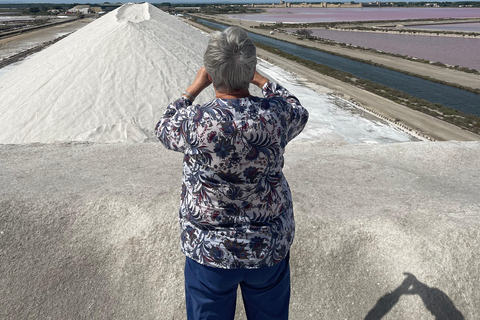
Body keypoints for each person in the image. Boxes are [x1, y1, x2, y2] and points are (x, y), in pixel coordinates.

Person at [154, 26, 308, 320]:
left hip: (209, 249)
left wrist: (192, 90)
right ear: (249, 69)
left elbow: (163, 128)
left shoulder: (196, 121)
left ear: (210, 74)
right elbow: (297, 109)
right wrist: (261, 79)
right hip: (267, 247)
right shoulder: (274, 115)